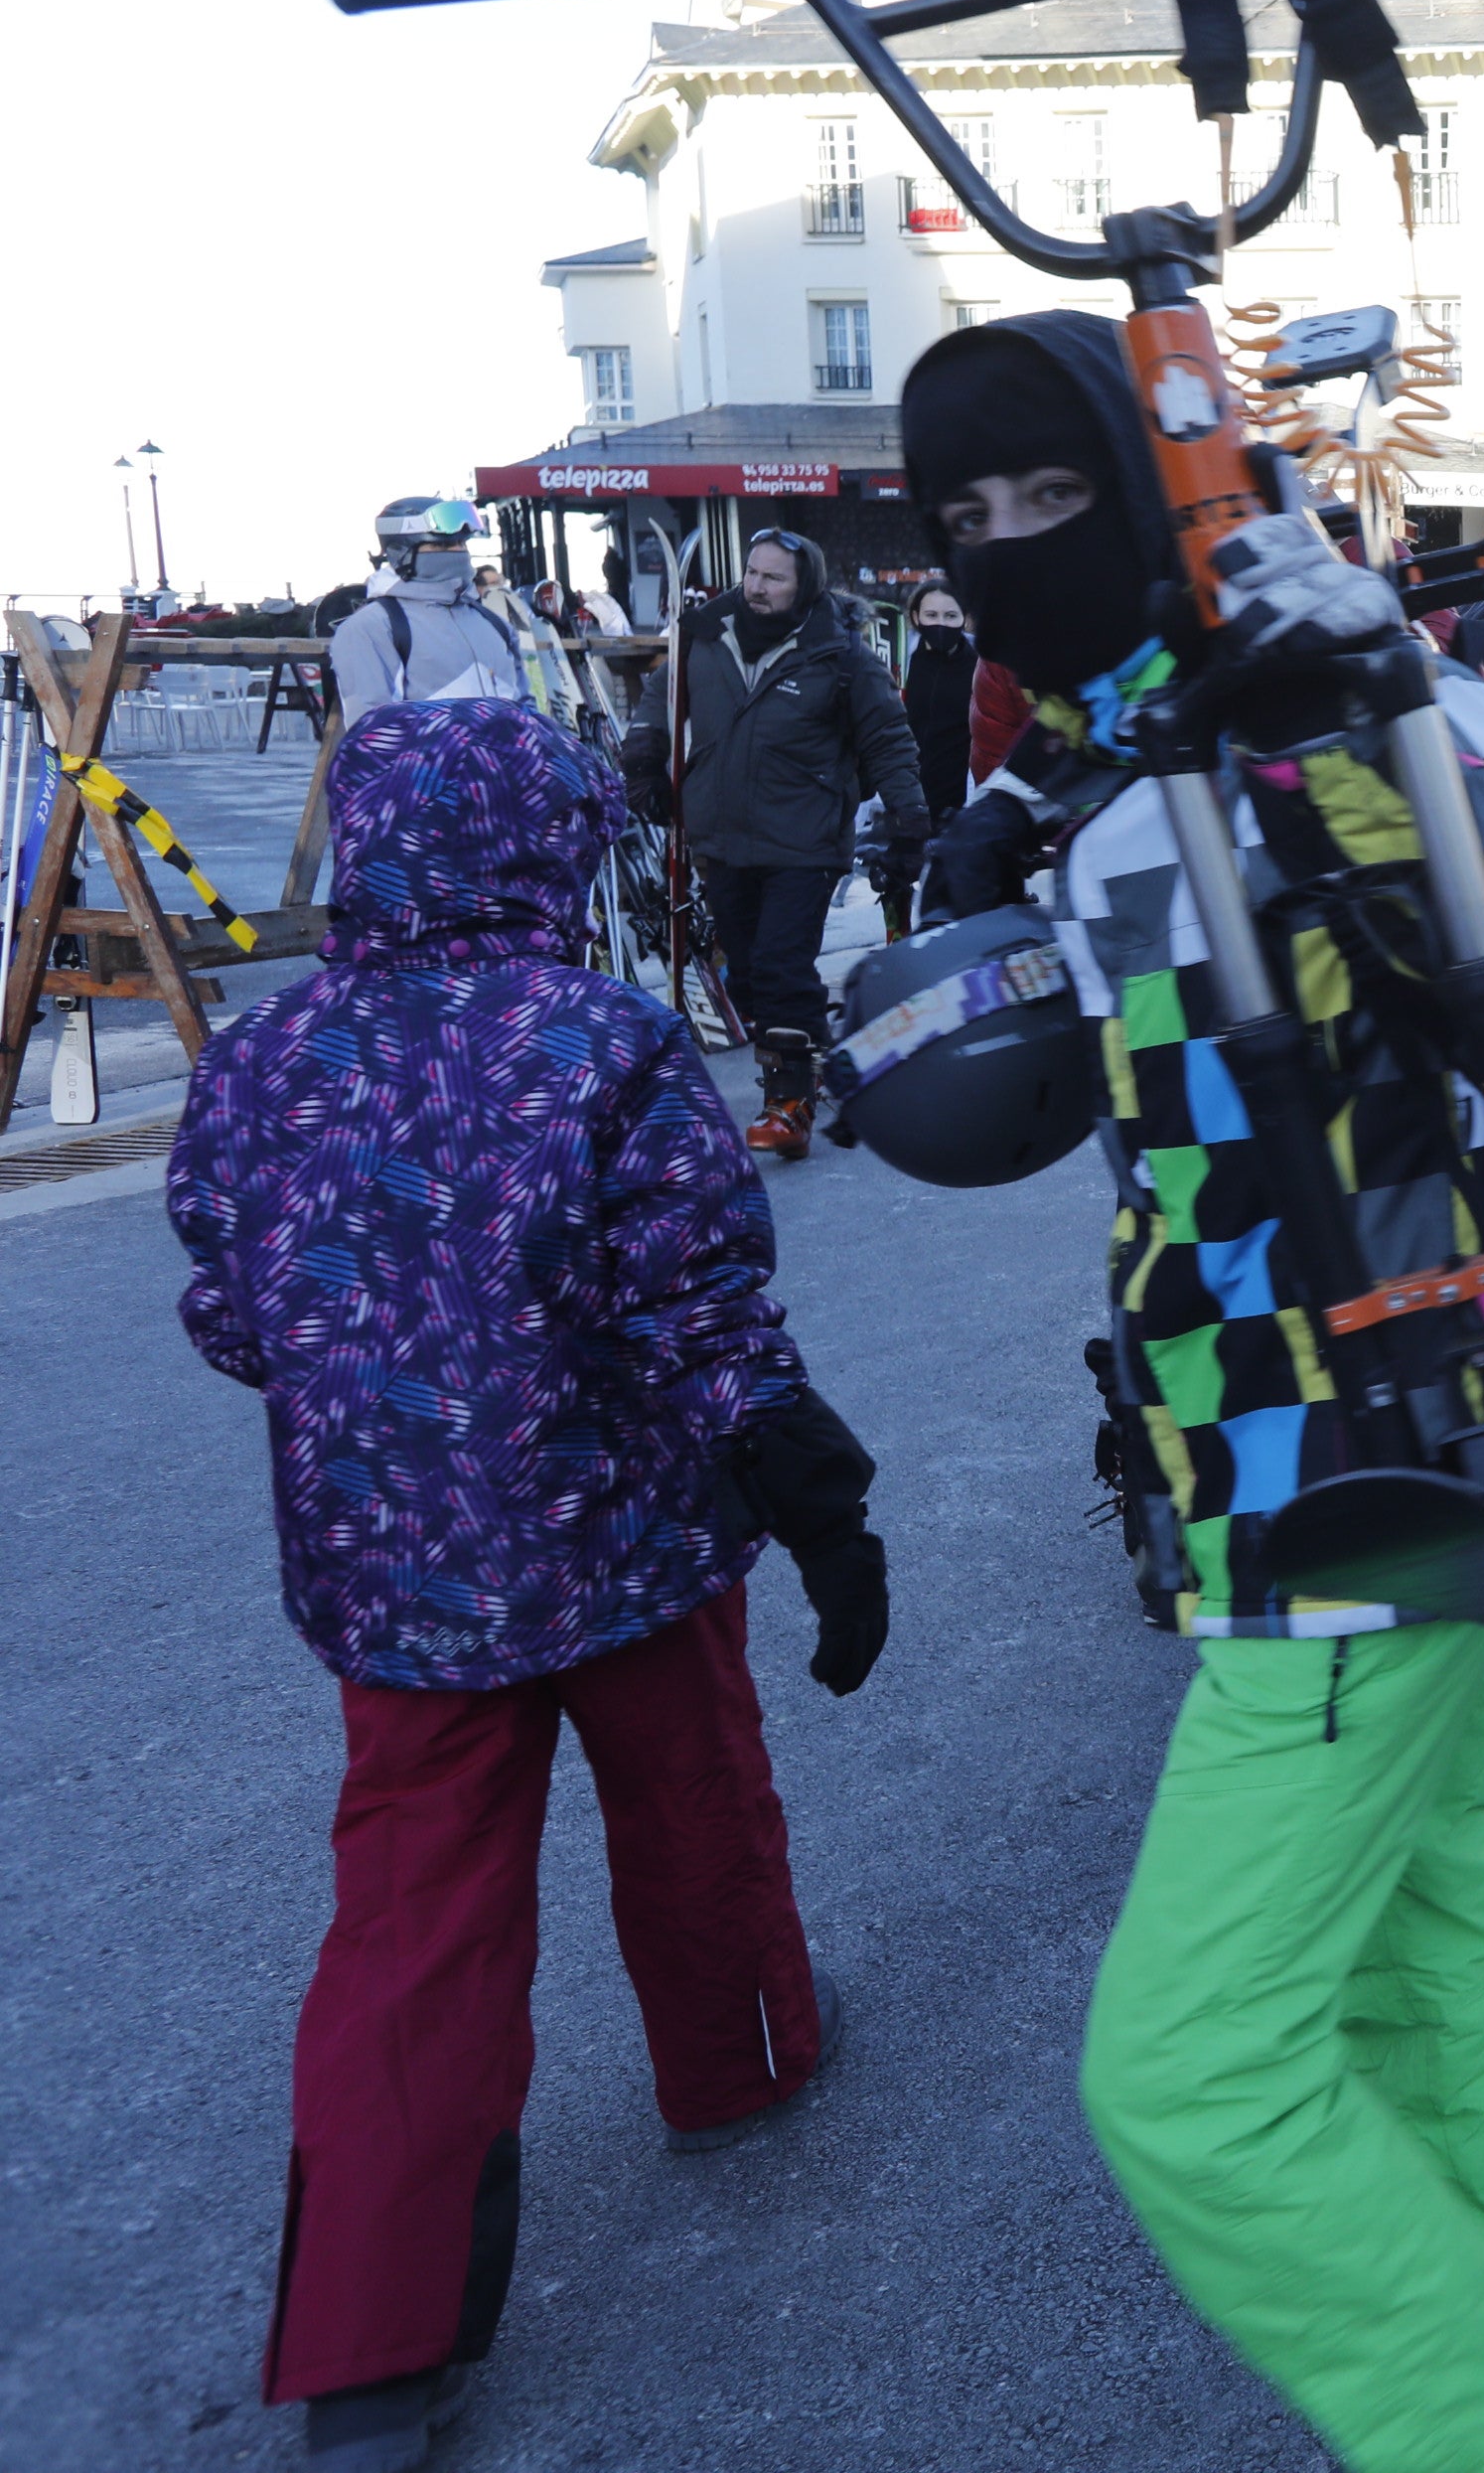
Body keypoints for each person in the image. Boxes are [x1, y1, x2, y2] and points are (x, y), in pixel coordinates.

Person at [902, 313, 1484, 2473]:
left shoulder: (1351, 687)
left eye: (1053, 500)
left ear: (1152, 487)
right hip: (1248, 1456)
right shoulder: (1090, 768)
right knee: (1418, 1973)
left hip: (1384, 1465)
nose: (1010, 553)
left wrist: (1358, 723)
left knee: (1190, 2072)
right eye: (963, 523)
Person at [167, 699, 887, 2473]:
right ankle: (740, 2062)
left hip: (394, 1567)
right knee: (693, 1803)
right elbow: (692, 1302)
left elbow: (229, 1302)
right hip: (625, 1534)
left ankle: (369, 2345)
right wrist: (803, 1482)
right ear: (552, 843)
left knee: (411, 1920)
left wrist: (368, 1396)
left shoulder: (266, 1060)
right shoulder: (602, 1040)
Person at [622, 530, 925, 1159]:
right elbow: (660, 696)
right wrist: (646, 755)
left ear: (804, 586)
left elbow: (888, 739)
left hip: (804, 839)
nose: (756, 587)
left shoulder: (838, 655)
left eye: (773, 579)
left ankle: (788, 1102)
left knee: (783, 969)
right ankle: (808, 1060)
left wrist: (907, 818)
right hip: (720, 836)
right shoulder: (705, 635)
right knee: (750, 979)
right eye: (752, 574)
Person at [328, 497, 535, 711]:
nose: (458, 552)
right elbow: (372, 728)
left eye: (461, 543)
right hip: (430, 745)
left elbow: (524, 705)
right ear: (403, 552)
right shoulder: (373, 627)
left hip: (504, 745)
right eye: (442, 545)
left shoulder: (492, 622)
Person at [871, 583, 981, 940]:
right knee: (896, 878)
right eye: (931, 615)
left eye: (950, 616)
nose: (940, 624)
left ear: (964, 619)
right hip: (907, 793)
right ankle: (897, 942)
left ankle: (952, 948)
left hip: (959, 793)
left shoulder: (980, 664)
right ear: (916, 617)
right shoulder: (903, 662)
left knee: (954, 887)